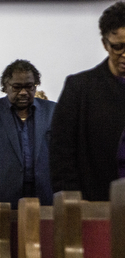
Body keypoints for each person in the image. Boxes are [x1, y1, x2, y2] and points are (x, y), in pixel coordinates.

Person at [51, 1, 125, 201]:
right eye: (118, 47)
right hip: (94, 204)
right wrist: (72, 201)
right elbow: (61, 152)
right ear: (105, 44)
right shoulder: (80, 88)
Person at [0, 59, 56, 219]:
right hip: (2, 201)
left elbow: (65, 155)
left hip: (47, 200)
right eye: (17, 87)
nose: (23, 92)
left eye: (29, 87)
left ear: (35, 86)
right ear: (5, 87)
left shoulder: (53, 112)